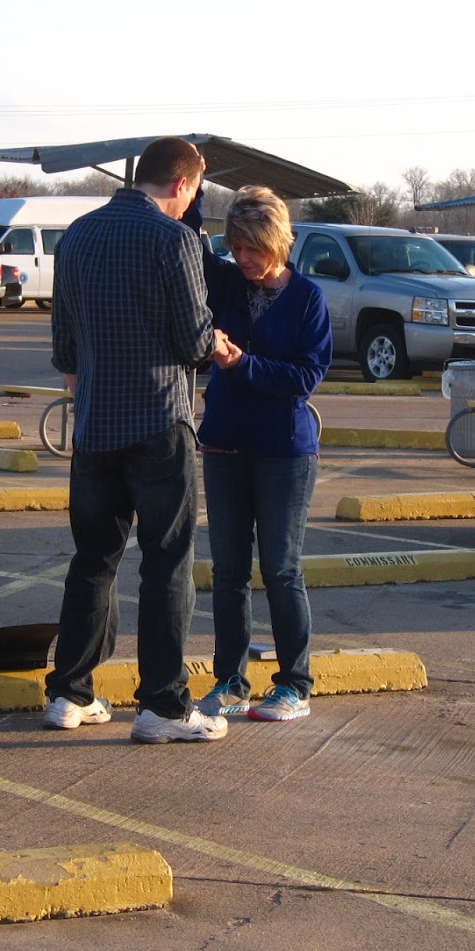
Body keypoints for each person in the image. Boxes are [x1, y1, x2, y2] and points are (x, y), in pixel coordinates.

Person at [43, 136, 233, 744]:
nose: (192, 202)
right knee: (168, 562)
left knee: (93, 559)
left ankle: (69, 693)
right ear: (181, 184)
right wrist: (219, 346)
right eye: (195, 191)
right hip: (158, 422)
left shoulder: (77, 234)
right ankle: (163, 706)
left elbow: (65, 345)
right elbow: (191, 338)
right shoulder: (173, 239)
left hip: (95, 425)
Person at [195, 186, 332, 722]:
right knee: (228, 571)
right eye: (236, 246)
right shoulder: (227, 280)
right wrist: (192, 187)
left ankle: (294, 683)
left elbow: (306, 376)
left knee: (280, 568)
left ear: (277, 242)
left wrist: (241, 363)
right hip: (225, 443)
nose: (243, 258)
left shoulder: (308, 299)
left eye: (253, 248)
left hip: (285, 453)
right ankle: (229, 680)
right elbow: (194, 249)